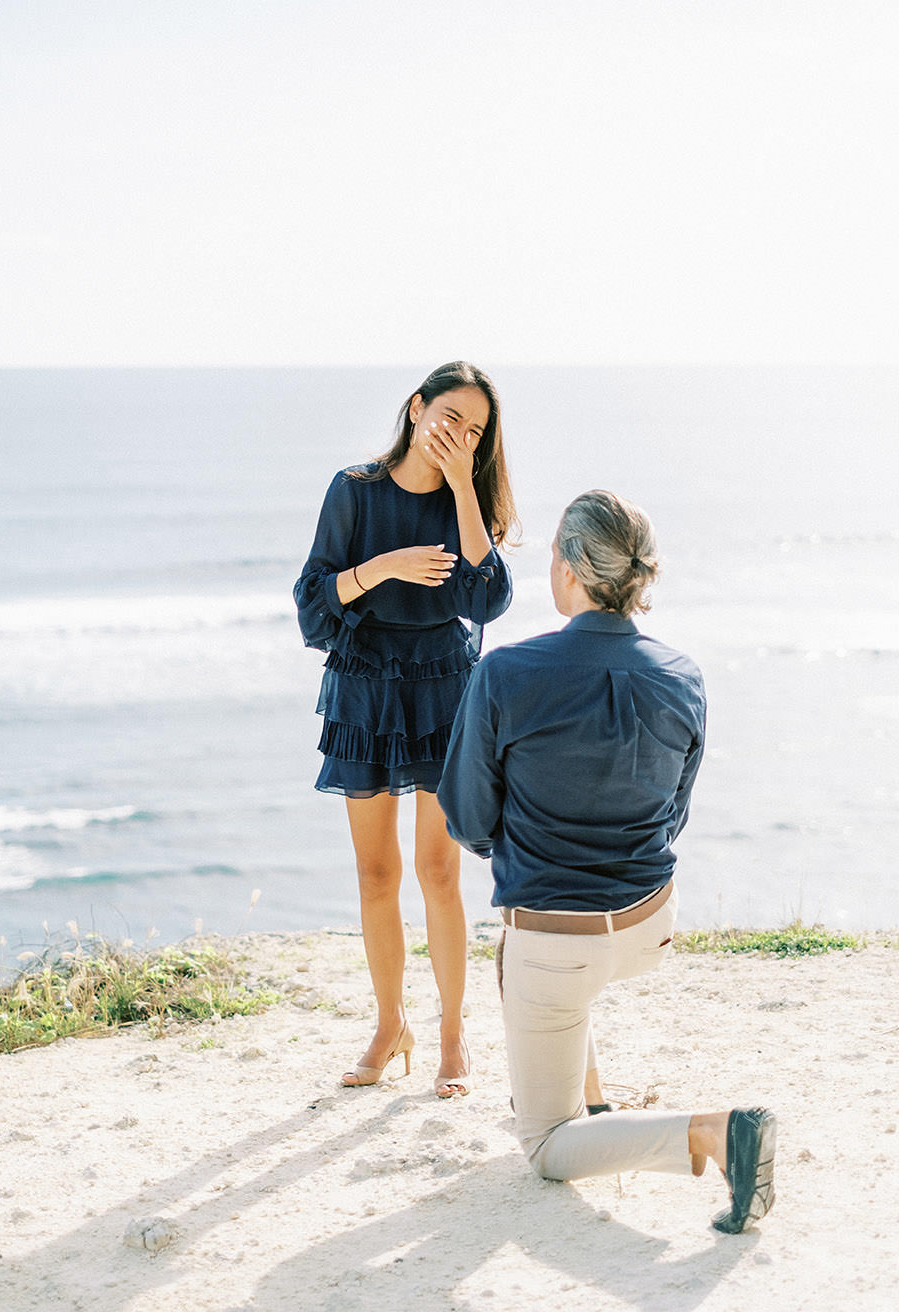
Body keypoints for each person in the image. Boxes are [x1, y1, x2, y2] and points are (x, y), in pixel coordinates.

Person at [438, 489, 776, 1233]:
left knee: (547, 1145)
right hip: (650, 927)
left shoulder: (506, 673)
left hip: (557, 948)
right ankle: (591, 1099)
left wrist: (528, 854)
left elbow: (464, 818)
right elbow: (673, 811)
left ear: (567, 567)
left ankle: (719, 1133)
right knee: (552, 970)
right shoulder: (683, 675)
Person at [294, 361, 518, 1096]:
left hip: (443, 690)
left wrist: (462, 490)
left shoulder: (468, 500)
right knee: (377, 872)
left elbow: (488, 604)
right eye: (450, 415)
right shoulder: (353, 490)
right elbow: (313, 602)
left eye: (476, 430)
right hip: (365, 685)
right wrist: (382, 567)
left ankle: (453, 1032)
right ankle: (391, 1026)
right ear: (417, 408)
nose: (460, 434)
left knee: (439, 870)